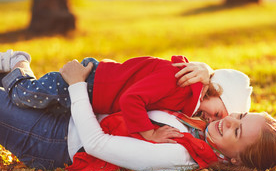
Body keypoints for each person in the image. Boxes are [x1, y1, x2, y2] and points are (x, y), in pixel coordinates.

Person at [0, 59, 276, 171]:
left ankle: (18, 64)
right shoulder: (203, 127)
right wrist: (205, 72)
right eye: (240, 117)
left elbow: (96, 144)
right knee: (19, 93)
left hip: (54, 140)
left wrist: (77, 84)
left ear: (235, 159)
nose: (229, 121)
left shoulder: (179, 152)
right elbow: (178, 89)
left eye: (237, 132)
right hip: (73, 110)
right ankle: (16, 67)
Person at [0, 50, 252, 143]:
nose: (211, 119)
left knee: (34, 104)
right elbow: (131, 100)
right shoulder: (176, 81)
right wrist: (149, 133)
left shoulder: (188, 98)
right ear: (213, 89)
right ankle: (17, 62)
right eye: (218, 113)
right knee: (25, 94)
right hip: (90, 82)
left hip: (96, 92)